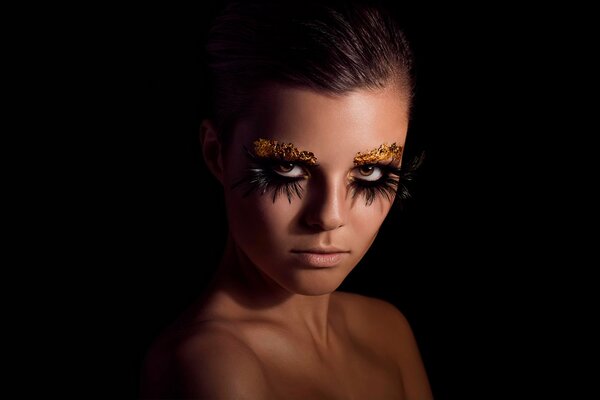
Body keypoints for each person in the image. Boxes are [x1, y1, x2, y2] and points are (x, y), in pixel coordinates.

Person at [141, 0, 432, 398]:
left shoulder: (389, 330)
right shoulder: (210, 365)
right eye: (288, 169)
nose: (329, 216)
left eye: (369, 172)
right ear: (216, 154)